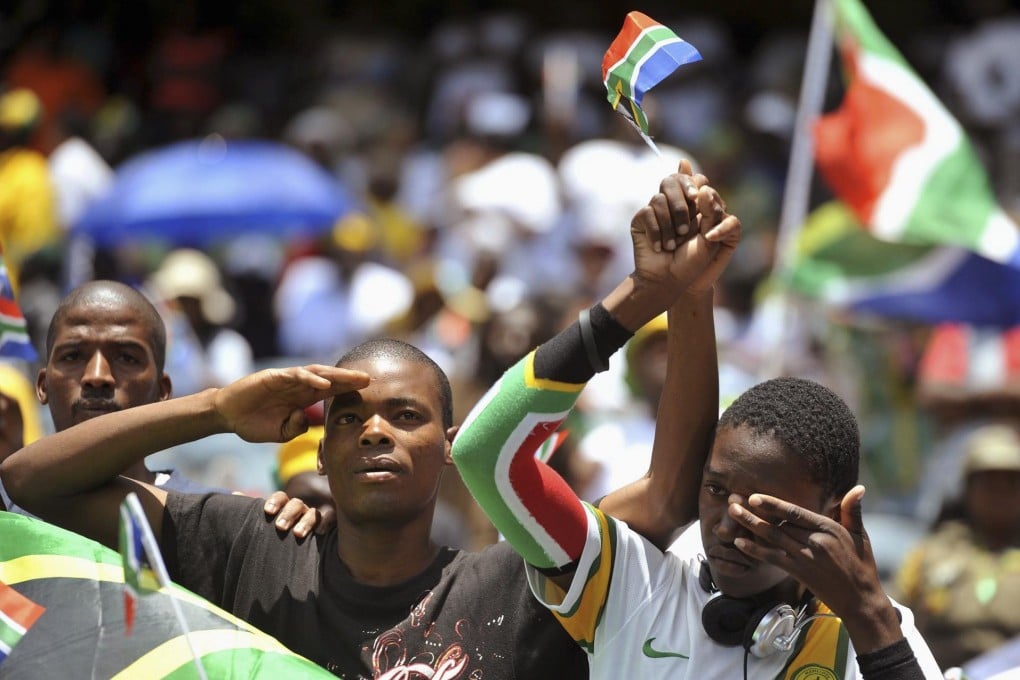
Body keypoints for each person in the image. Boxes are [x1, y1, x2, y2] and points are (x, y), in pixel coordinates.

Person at [2, 161, 730, 677]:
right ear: (320, 455)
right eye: (349, 419)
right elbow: (33, 486)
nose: (374, 431)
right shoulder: (246, 548)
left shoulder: (526, 581)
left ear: (451, 448)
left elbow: (669, 496)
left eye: (404, 414)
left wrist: (686, 296)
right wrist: (217, 408)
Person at [450, 218, 942, 675]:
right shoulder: (633, 582)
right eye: (714, 490)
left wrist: (868, 616)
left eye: (764, 510)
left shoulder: (875, 632)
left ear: (834, 518)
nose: (728, 525)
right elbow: (484, 454)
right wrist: (646, 293)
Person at [0, 279, 318, 534]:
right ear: (42, 386)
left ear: (163, 391)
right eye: (72, 356)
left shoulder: (215, 521)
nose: (97, 377)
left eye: (126, 357)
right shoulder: (8, 511)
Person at [894, 422, 1020, 669]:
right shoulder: (929, 554)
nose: (998, 493)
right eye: (987, 483)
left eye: (1010, 483)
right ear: (967, 489)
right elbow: (892, 618)